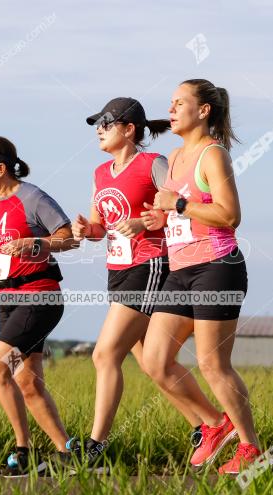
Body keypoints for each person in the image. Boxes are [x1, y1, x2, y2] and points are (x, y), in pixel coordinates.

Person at [67, 98, 204, 469]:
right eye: (97, 123)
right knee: (149, 362)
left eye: (106, 123)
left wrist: (146, 223)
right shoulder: (100, 173)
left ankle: (96, 445)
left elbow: (181, 204)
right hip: (118, 267)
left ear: (129, 129)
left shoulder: (152, 164)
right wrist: (86, 230)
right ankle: (205, 425)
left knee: (104, 354)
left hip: (151, 264)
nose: (99, 129)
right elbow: (100, 226)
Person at [140, 79, 262, 475]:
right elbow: (182, 212)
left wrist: (177, 202)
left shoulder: (214, 155)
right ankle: (213, 423)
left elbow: (229, 215)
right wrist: (159, 217)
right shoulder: (174, 157)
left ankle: (250, 448)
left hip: (217, 268)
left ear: (204, 110)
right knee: (155, 361)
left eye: (180, 103)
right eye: (170, 103)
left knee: (213, 364)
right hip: (180, 270)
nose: (171, 110)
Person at [0, 136, 77, 476]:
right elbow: (6, 253)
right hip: (9, 304)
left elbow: (69, 238)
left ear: (1, 167)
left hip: (38, 299)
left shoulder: (32, 197)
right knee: (27, 382)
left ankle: (22, 450)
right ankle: (68, 454)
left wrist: (36, 242)